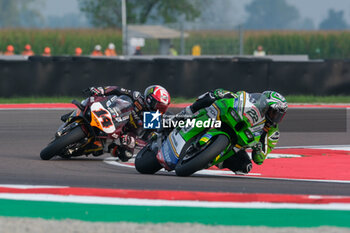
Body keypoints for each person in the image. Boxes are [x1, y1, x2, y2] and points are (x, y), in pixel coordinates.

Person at [176, 89, 287, 174]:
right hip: (231, 118)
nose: (275, 117)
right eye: (273, 112)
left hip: (238, 142)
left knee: (245, 167)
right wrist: (227, 95)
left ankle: (212, 157)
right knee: (215, 94)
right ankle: (185, 113)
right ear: (265, 105)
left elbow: (259, 159)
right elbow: (240, 95)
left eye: (278, 115)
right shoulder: (252, 103)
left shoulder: (273, 133)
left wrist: (258, 149)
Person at [85, 85, 171, 161]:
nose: (159, 110)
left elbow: (147, 140)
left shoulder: (153, 117)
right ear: (149, 99)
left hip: (127, 131)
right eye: (158, 106)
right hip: (113, 112)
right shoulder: (137, 96)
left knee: (127, 154)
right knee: (94, 99)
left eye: (162, 108)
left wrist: (135, 141)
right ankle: (83, 111)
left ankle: (109, 147)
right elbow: (118, 89)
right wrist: (102, 90)